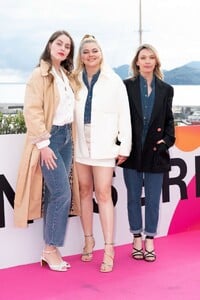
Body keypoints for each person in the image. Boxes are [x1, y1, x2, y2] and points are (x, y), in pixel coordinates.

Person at [14, 30, 80, 272]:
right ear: (50, 45)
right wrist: (43, 145)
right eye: (59, 43)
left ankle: (50, 249)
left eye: (67, 46)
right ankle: (50, 249)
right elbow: (32, 111)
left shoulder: (66, 75)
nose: (63, 48)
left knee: (57, 195)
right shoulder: (38, 75)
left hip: (66, 138)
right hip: (49, 139)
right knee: (62, 193)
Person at [73, 34, 132, 272]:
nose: (90, 55)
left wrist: (124, 146)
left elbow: (123, 115)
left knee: (104, 193)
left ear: (101, 53)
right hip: (80, 146)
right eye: (86, 51)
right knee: (84, 191)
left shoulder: (113, 80)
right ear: (81, 56)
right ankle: (88, 239)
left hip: (105, 146)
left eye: (94, 50)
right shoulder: (74, 79)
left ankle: (109, 247)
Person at [120, 44, 175, 262]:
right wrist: (120, 144)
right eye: (143, 57)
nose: (147, 61)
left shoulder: (166, 89)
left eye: (151, 57)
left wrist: (166, 142)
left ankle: (150, 238)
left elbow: (169, 120)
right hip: (132, 152)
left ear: (156, 61)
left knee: (153, 199)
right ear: (137, 62)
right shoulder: (126, 86)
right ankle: (136, 237)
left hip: (156, 153)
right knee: (133, 198)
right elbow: (120, 118)